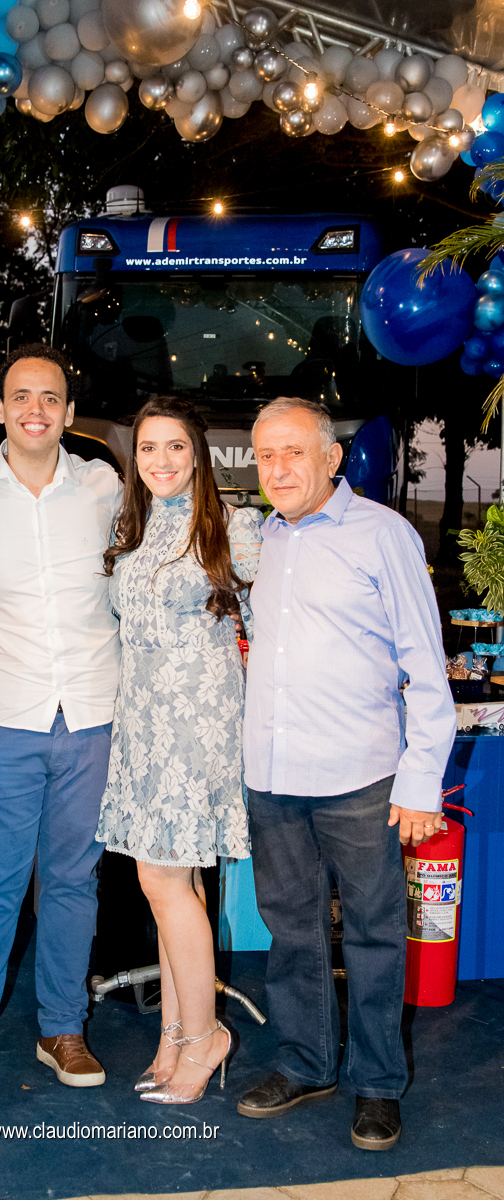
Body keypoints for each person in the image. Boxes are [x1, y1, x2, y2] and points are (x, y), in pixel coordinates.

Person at [239, 397, 456, 1149]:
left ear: (332, 458)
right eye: (266, 456)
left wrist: (420, 783)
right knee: (290, 931)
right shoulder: (264, 537)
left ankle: (378, 1083)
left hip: (362, 778)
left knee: (372, 936)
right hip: (272, 777)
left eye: (294, 452)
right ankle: (305, 1063)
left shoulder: (382, 534)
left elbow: (426, 666)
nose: (278, 469)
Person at [0, 344, 121, 1099]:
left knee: (74, 881)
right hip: (2, 712)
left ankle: (62, 1028)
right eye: (21, 396)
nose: (35, 410)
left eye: (50, 397)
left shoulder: (106, 486)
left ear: (70, 412)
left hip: (93, 714)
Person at [98, 396, 263, 1105]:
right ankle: (174, 1035)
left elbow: (269, 630)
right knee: (176, 887)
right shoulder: (131, 529)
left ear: (198, 453)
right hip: (141, 725)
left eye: (175, 446)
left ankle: (204, 1037)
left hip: (198, 727)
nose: (160, 460)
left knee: (164, 883)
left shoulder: (234, 527)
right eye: (148, 447)